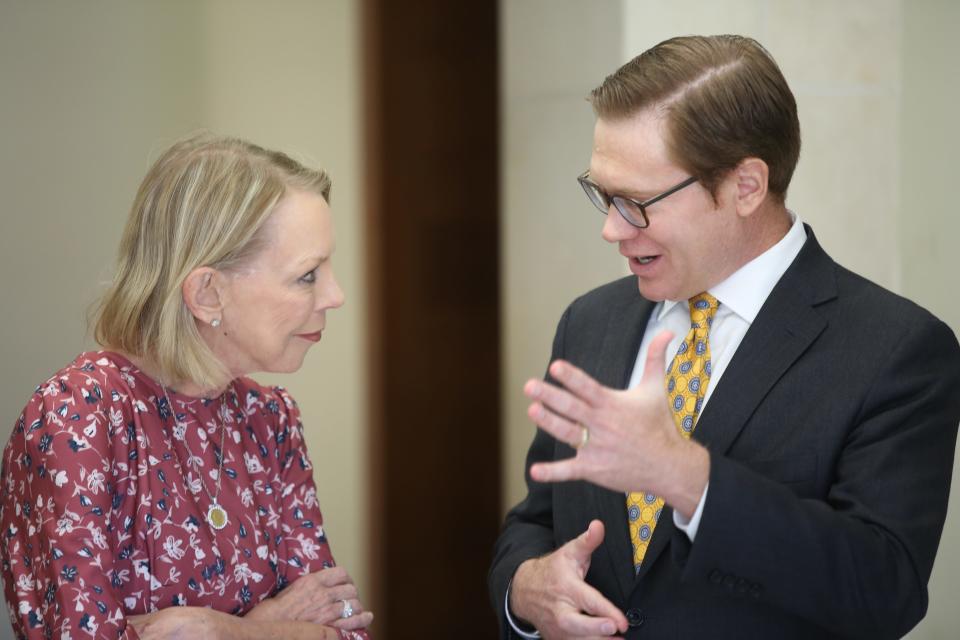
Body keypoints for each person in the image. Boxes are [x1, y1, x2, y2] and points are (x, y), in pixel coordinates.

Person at [489, 35, 960, 640]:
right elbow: (537, 516)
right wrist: (523, 589)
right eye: (602, 195)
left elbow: (882, 592)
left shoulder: (898, 350)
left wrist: (688, 478)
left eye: (635, 202)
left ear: (745, 187)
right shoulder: (590, 322)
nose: (610, 229)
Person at [1, 133, 372, 639]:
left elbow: (347, 633)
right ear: (206, 293)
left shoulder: (271, 419)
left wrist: (230, 632)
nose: (336, 295)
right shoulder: (78, 418)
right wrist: (281, 624)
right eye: (307, 275)